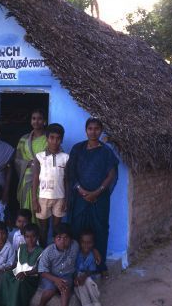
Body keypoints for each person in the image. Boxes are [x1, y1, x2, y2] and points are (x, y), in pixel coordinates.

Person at [67, 118, 118, 278]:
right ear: (86, 130)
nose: (93, 131)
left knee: (100, 229)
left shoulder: (106, 151)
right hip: (79, 197)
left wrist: (97, 192)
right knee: (76, 228)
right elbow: (71, 172)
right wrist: (82, 191)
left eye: (97, 128)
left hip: (100, 199)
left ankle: (100, 265)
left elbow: (112, 174)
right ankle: (74, 264)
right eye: (90, 128)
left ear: (101, 130)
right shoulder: (78, 149)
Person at [32, 123, 69, 246]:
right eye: (51, 137)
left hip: (60, 198)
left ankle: (55, 253)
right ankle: (43, 254)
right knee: (43, 228)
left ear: (61, 139)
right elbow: (35, 179)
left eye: (58, 138)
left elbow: (66, 180)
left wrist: (66, 200)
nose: (54, 141)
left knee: (56, 228)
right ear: (47, 138)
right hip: (43, 198)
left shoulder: (65, 158)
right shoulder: (39, 157)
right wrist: (34, 199)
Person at [0, 223, 43, 306]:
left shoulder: (41, 251)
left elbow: (39, 269)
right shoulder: (22, 247)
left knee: (19, 282)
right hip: (19, 272)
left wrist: (25, 273)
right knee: (5, 276)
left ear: (38, 237)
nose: (30, 239)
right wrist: (7, 268)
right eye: (27, 237)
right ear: (24, 237)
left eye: (33, 236)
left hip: (31, 278)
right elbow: (17, 263)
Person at [15, 109, 47, 223]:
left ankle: (38, 238)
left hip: (43, 180)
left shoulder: (49, 139)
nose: (36, 121)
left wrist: (39, 164)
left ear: (44, 121)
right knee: (26, 210)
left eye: (39, 118)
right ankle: (26, 237)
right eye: (34, 118)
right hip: (26, 179)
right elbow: (17, 160)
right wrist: (27, 163)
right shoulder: (24, 139)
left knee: (41, 211)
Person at [38, 223, 79, 306]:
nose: (62, 241)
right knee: (50, 291)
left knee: (65, 289)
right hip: (50, 275)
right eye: (59, 238)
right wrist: (56, 280)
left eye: (66, 238)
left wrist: (95, 251)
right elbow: (42, 271)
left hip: (66, 276)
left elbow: (86, 248)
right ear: (54, 239)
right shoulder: (48, 251)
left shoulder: (75, 246)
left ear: (71, 239)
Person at [74, 230, 101, 306]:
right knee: (80, 286)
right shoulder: (76, 253)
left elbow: (92, 270)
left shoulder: (92, 255)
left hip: (88, 276)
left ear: (93, 243)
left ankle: (96, 302)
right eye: (83, 242)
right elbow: (72, 269)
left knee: (88, 281)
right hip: (77, 278)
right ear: (79, 243)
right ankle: (87, 304)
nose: (86, 245)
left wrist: (84, 277)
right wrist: (77, 278)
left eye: (89, 243)